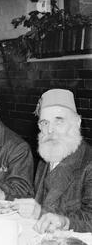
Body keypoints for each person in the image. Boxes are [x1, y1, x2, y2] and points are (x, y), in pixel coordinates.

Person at [33, 89, 92, 233]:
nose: (50, 130)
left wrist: (65, 221)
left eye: (59, 121)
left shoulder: (88, 163)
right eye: (45, 123)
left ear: (77, 123)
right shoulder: (45, 159)